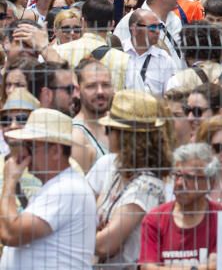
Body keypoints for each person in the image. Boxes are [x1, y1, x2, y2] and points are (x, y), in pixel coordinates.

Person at [0, 108, 97, 269]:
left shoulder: (67, 188)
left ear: (55, 151)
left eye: (31, 146)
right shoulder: (58, 186)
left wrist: (9, 181)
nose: (24, 152)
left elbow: (12, 233)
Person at [88, 90, 171, 268]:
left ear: (126, 137)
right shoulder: (116, 168)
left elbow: (106, 244)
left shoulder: (148, 186)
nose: (105, 133)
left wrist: (79, 238)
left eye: (110, 129)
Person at [138, 143, 222, 268]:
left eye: (189, 177)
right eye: (177, 175)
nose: (179, 183)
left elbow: (219, 266)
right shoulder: (155, 219)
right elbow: (147, 267)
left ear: (210, 182)